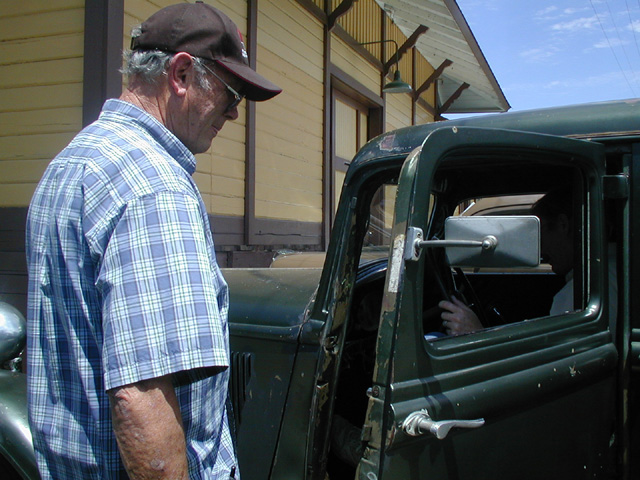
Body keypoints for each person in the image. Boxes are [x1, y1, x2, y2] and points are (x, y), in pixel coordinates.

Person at [25, 3, 281, 479]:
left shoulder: (69, 162)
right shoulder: (154, 187)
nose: (234, 113)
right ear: (181, 73)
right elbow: (142, 398)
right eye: (230, 94)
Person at [439, 190, 617, 336]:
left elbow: (550, 363)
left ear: (563, 225)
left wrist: (476, 332)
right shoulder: (607, 273)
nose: (539, 247)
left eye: (540, 232)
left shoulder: (581, 293)